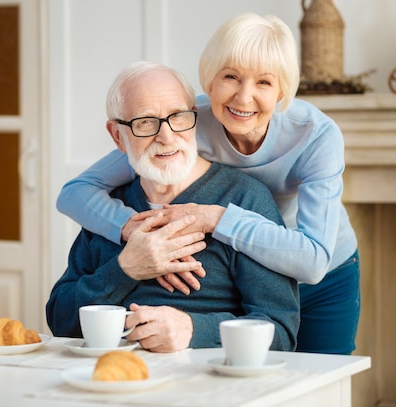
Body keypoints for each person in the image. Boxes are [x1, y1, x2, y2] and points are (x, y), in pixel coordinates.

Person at [56, 13, 360, 355]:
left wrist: (217, 218)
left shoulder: (315, 136)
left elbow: (313, 263)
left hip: (320, 266)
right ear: (210, 80)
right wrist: (135, 236)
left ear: (282, 91)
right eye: (230, 76)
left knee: (321, 378)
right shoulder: (185, 118)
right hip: (246, 262)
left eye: (264, 82)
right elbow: (76, 192)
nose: (243, 98)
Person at [46, 61, 299, 353]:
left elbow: (281, 331)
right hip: (113, 379)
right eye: (145, 122)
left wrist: (194, 330)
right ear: (118, 136)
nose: (166, 137)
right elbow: (59, 320)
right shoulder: (107, 209)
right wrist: (125, 268)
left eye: (178, 117)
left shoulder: (244, 198)